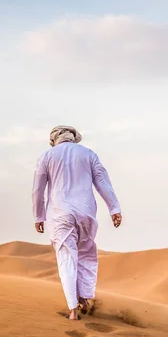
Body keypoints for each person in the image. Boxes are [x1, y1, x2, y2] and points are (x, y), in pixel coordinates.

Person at [32, 125, 122, 320]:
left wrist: (39, 216)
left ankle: (73, 309)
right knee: (87, 254)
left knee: (67, 257)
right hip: (86, 212)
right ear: (73, 138)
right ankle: (86, 298)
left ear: (54, 139)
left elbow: (38, 190)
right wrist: (114, 208)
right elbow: (102, 182)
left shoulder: (47, 156)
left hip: (60, 214)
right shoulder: (88, 154)